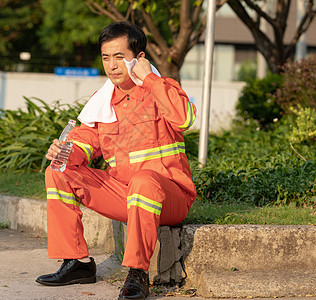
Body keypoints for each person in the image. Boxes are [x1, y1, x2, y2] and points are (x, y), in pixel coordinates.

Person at [36, 21, 197, 299]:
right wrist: (65, 152)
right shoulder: (103, 101)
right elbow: (84, 145)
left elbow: (185, 118)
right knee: (58, 172)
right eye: (106, 58)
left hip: (169, 197)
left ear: (139, 58)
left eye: (119, 57)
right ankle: (77, 263)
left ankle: (137, 274)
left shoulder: (160, 88)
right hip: (125, 196)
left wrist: (151, 79)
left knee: (143, 181)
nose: (112, 66)